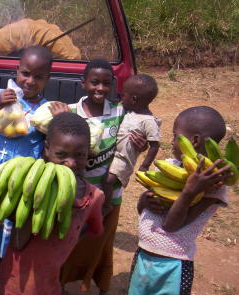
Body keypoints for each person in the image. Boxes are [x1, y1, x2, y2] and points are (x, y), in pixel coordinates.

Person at [0, 112, 105, 295]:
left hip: (49, 285)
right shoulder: (30, 187)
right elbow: (19, 241)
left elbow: (94, 228)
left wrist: (67, 234)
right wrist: (37, 201)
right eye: (61, 154)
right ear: (46, 149)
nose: (70, 163)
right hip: (12, 284)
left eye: (80, 155)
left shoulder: (94, 197)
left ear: (89, 153)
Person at [59, 59, 146, 294]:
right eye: (94, 82)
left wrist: (141, 143)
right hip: (75, 195)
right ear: (83, 83)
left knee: (100, 244)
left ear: (113, 85)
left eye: (106, 83)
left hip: (109, 195)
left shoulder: (121, 113)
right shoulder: (70, 111)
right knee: (69, 242)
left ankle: (93, 285)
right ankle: (62, 283)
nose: (100, 88)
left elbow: (132, 142)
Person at [128, 106, 232, 295]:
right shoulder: (170, 167)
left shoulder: (214, 187)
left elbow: (171, 225)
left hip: (173, 266)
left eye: (175, 136)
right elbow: (143, 210)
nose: (172, 142)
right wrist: (144, 200)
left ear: (194, 140)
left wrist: (189, 192)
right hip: (143, 255)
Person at [0, 45, 53, 258]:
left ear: (48, 78)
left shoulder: (45, 111)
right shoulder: (1, 96)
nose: (30, 81)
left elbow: (49, 153)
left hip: (20, 184)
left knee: (13, 237)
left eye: (39, 77)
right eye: (25, 74)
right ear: (17, 70)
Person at [103, 74, 161, 205]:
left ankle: (106, 204)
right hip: (111, 155)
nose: (120, 98)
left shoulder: (149, 121)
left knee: (107, 181)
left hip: (123, 159)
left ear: (134, 99)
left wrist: (144, 166)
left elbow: (155, 146)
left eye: (123, 95)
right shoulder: (129, 111)